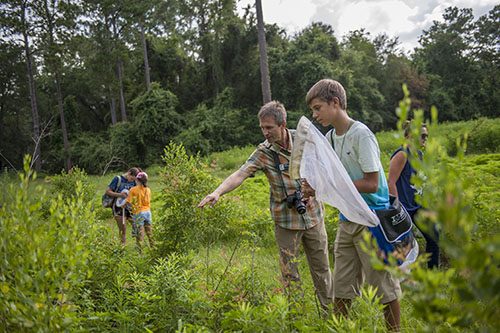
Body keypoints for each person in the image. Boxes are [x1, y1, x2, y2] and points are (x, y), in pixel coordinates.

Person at [198, 101, 334, 312]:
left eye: (269, 127)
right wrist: (217, 192)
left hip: (314, 215)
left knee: (322, 269)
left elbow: (326, 167)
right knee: (290, 273)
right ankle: (296, 319)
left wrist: (315, 188)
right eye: (262, 127)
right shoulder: (264, 151)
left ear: (282, 124)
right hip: (286, 221)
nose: (265, 132)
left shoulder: (305, 140)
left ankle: (329, 315)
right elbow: (240, 173)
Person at [304, 79, 401, 331]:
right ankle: (339, 328)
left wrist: (328, 187)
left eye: (317, 108)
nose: (314, 115)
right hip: (347, 221)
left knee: (383, 286)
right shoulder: (330, 138)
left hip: (372, 220)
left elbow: (371, 183)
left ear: (335, 103)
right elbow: (331, 178)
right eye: (313, 110)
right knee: (342, 285)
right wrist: (315, 185)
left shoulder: (361, 134)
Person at [388, 121, 439, 269]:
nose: (425, 139)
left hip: (416, 205)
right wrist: (396, 209)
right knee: (404, 246)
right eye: (422, 136)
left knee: (434, 235)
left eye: (426, 136)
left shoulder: (419, 155)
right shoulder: (402, 154)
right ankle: (400, 278)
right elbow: (390, 183)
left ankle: (433, 274)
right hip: (402, 208)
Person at [105, 167, 140, 245]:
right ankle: (122, 249)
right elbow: (108, 191)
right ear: (129, 173)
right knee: (123, 230)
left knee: (137, 226)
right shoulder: (118, 179)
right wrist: (120, 195)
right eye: (131, 178)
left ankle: (139, 249)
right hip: (118, 208)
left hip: (130, 207)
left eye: (133, 180)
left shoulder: (134, 182)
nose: (131, 181)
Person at [126, 171, 154, 249]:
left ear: (137, 180)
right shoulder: (148, 189)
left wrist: (123, 205)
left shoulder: (133, 190)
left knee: (140, 235)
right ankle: (153, 247)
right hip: (148, 212)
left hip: (138, 212)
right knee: (149, 233)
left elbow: (129, 203)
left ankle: (140, 252)